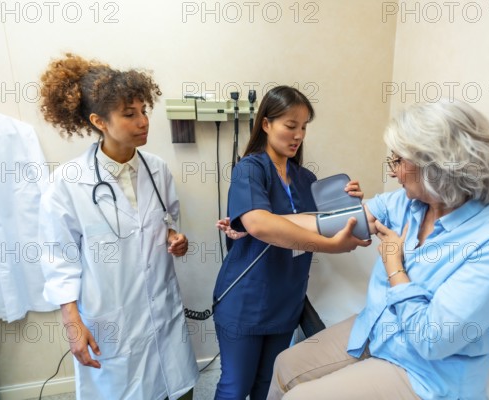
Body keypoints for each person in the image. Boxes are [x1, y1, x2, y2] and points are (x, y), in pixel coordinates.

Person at [267, 99, 489, 400]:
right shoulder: (407, 202)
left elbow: (433, 340)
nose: (392, 172)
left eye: (398, 161)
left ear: (437, 164)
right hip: (380, 326)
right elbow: (336, 222)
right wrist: (258, 223)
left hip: (427, 370)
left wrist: (395, 266)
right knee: (285, 365)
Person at [38, 54, 198, 400]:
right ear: (99, 121)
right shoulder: (67, 184)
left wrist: (175, 239)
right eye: (130, 114)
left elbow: (168, 222)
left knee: (176, 390)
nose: (143, 122)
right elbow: (58, 263)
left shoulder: (158, 170)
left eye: (144, 111)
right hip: (111, 320)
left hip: (162, 312)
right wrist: (72, 324)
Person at [212, 85, 370, 400]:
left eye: (303, 127)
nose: (298, 135)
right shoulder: (251, 170)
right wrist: (331, 247)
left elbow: (337, 228)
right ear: (266, 124)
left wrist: (354, 208)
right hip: (246, 301)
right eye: (290, 125)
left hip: (286, 302)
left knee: (265, 386)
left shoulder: (306, 180)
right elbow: (259, 224)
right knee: (235, 387)